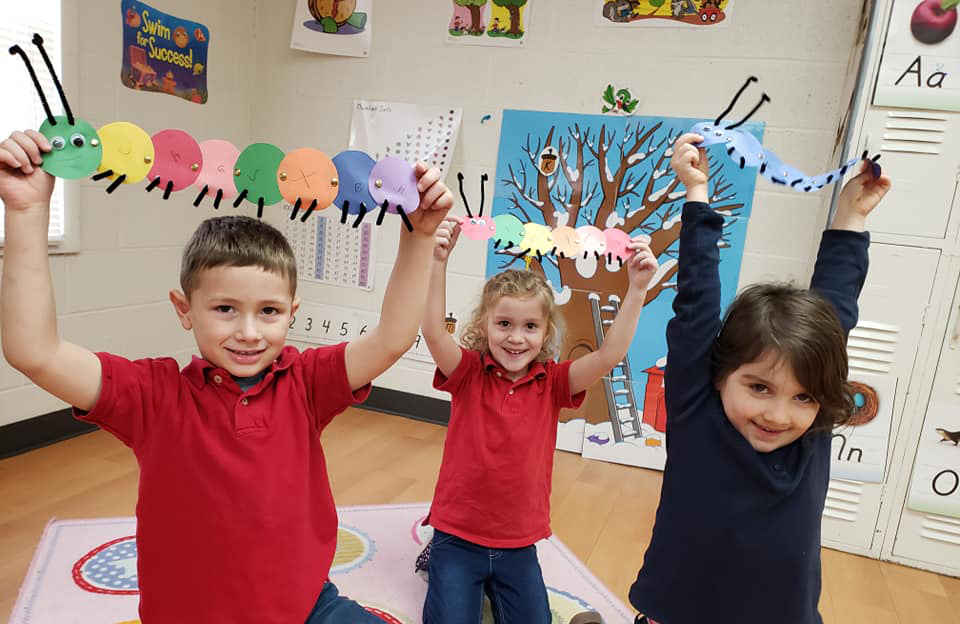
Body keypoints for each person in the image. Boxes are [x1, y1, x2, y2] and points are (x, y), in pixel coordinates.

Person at [0, 129, 453, 623]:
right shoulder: (154, 396)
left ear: (292, 312)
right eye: (225, 308)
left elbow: (390, 338)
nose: (249, 332)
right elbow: (35, 352)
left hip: (305, 606)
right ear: (184, 309)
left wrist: (418, 238)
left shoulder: (305, 382)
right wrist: (25, 214)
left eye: (269, 311)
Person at [627, 133, 892, 624]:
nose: (778, 413)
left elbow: (835, 312)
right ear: (720, 373)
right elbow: (697, 301)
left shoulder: (809, 430)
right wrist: (696, 193)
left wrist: (852, 216)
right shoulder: (696, 411)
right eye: (759, 387)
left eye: (804, 395)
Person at [419, 216, 659, 624]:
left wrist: (636, 288)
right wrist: (438, 261)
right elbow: (434, 333)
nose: (517, 337)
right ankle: (439, 562)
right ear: (484, 326)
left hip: (518, 543)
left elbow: (608, 356)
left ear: (546, 330)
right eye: (504, 324)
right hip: (457, 537)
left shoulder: (554, 382)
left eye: (530, 326)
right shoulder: (468, 373)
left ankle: (485, 593)